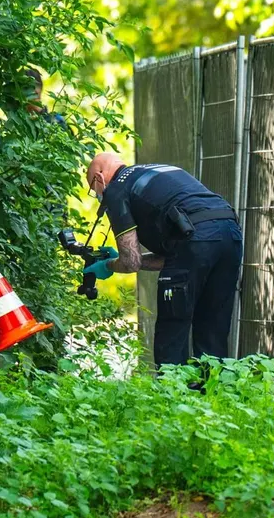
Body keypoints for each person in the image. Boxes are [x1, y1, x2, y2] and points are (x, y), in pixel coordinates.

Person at [82, 152, 243, 368]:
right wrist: (130, 259)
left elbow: (131, 262)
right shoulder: (156, 168)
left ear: (99, 177)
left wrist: (108, 265)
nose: (99, 195)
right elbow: (180, 257)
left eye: (95, 190)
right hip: (230, 233)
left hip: (194, 239)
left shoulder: (116, 190)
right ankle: (216, 395)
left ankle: (173, 395)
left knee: (172, 333)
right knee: (213, 326)